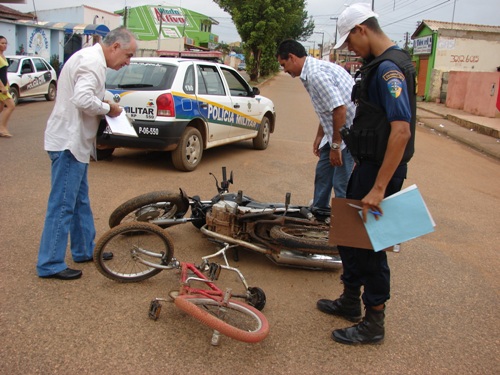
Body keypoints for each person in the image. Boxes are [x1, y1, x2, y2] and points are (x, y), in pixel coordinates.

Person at [316, 3, 416, 345]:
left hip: (381, 174)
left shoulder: (390, 69)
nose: (349, 49)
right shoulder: (375, 66)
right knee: (348, 235)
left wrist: (379, 187)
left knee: (372, 247)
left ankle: (374, 321)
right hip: (366, 165)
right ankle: (350, 300)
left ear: (362, 29)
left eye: (349, 42)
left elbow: (400, 131)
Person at [37, 27, 138, 280]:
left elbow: (88, 92)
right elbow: (82, 98)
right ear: (115, 46)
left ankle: (84, 250)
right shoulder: (92, 62)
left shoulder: (92, 60)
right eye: (128, 55)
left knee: (79, 202)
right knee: (62, 206)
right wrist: (108, 109)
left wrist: (107, 99)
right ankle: (50, 263)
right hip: (68, 143)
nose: (128, 62)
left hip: (74, 143)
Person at [276, 40, 355, 208]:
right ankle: (318, 213)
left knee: (341, 183)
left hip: (348, 135)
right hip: (335, 132)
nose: (285, 70)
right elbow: (328, 109)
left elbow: (340, 109)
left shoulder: (316, 74)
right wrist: (321, 135)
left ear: (292, 57)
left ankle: (344, 227)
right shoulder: (309, 73)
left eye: (284, 64)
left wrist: (335, 146)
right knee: (323, 174)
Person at [0, 36, 15, 138]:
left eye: (5, 43)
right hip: (1, 88)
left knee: (1, 108)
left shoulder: (3, 56)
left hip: (4, 85)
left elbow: (3, 72)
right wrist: (2, 87)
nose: (4, 45)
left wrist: (7, 83)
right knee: (11, 105)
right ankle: (2, 128)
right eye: (2, 43)